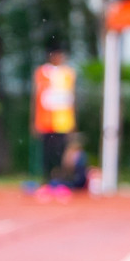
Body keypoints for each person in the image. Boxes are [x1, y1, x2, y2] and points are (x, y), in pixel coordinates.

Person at [32, 48, 76, 184]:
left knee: (61, 152)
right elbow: (36, 97)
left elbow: (72, 99)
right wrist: (34, 120)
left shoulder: (68, 73)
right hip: (46, 121)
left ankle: (59, 179)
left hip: (63, 122)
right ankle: (47, 178)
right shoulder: (42, 72)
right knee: (47, 152)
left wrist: (73, 121)